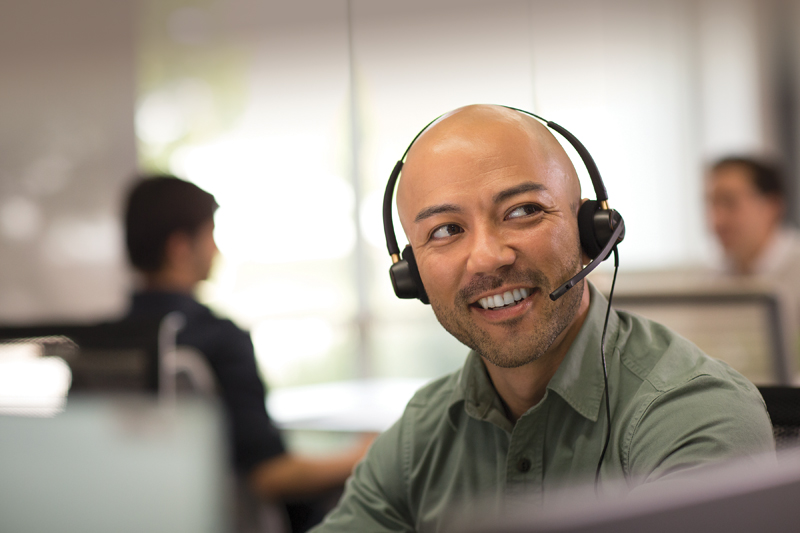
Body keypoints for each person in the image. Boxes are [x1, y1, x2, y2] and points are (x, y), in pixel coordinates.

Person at [310, 105, 775, 532]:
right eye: (446, 230)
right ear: (411, 274)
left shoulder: (696, 416)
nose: (487, 257)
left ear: (591, 232)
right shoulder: (419, 438)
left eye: (523, 211)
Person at [123, 175, 370, 533]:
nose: (216, 251)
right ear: (180, 248)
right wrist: (361, 456)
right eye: (210, 236)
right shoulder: (218, 340)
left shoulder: (103, 344)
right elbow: (270, 476)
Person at [707, 156, 800, 277]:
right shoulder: (715, 276)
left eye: (730, 202)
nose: (717, 220)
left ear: (772, 206)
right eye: (712, 204)